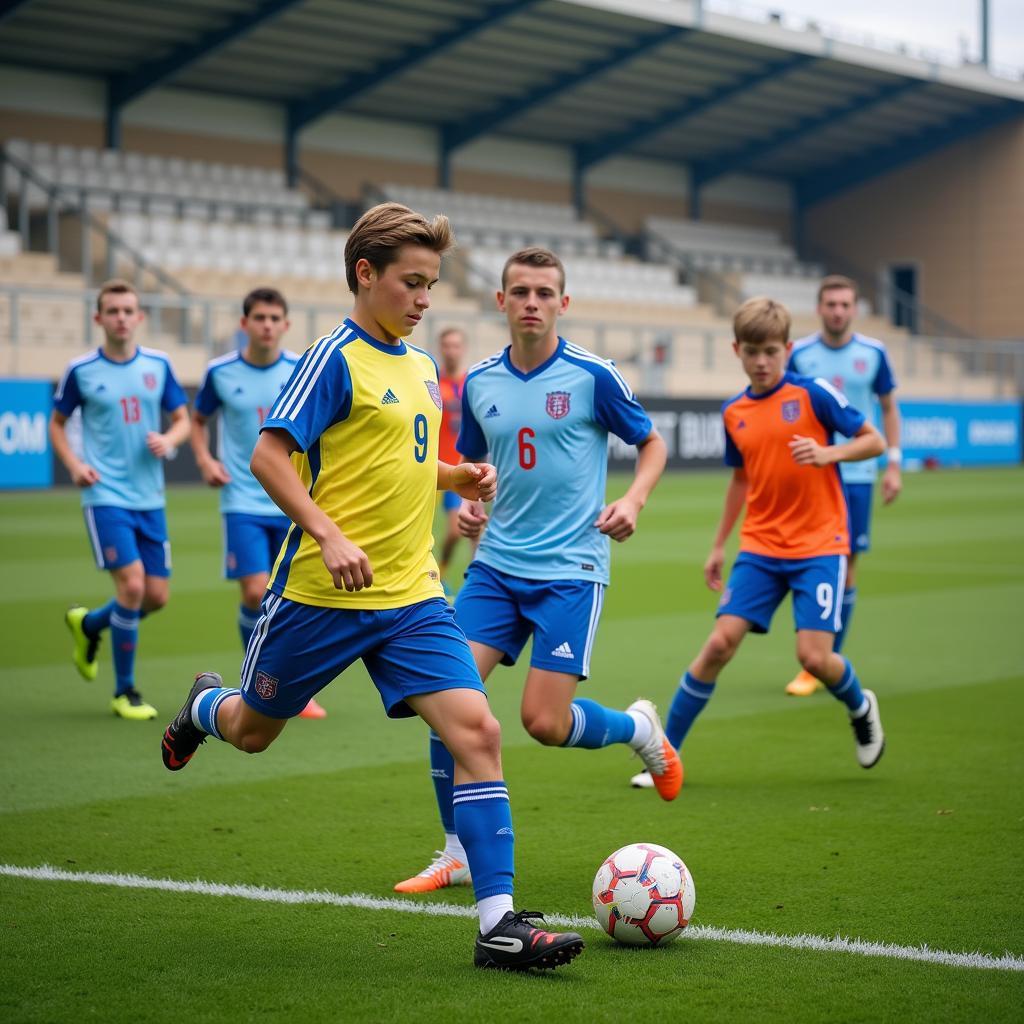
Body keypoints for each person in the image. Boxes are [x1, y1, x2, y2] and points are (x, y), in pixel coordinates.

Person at [159, 204, 584, 972]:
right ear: (365, 275)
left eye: (431, 285)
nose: (425, 299)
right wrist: (327, 532)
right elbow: (269, 457)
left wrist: (457, 475)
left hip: (411, 596)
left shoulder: (421, 365)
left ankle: (498, 925)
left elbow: (409, 457)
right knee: (253, 732)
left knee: (479, 733)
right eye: (411, 283)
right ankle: (200, 706)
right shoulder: (332, 358)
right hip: (322, 593)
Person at [394, 246, 676, 897]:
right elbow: (467, 465)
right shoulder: (484, 382)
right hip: (495, 568)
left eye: (544, 293)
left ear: (562, 303)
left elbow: (651, 442)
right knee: (445, 702)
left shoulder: (592, 375)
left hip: (571, 570)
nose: (531, 302)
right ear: (501, 301)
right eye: (519, 291)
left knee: (544, 724)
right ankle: (456, 851)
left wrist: (632, 500)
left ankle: (638, 728)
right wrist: (465, 507)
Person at [632, 296, 886, 790]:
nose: (762, 361)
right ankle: (665, 757)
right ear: (736, 350)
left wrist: (829, 451)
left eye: (771, 350)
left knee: (814, 658)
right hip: (761, 547)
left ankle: (860, 705)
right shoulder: (735, 412)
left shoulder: (815, 395)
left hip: (819, 545)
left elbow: (872, 439)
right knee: (718, 646)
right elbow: (741, 482)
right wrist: (718, 545)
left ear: (788, 349)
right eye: (752, 351)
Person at [53, 279, 190, 720]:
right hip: (105, 494)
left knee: (156, 597)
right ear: (99, 318)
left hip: (150, 496)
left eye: (129, 310)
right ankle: (125, 691)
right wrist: (75, 466)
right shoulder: (81, 371)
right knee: (131, 586)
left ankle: (89, 624)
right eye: (112, 311)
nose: (121, 318)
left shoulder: (158, 365)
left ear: (140, 317)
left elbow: (183, 419)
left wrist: (168, 439)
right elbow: (57, 424)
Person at [191, 287, 325, 719]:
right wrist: (205, 459)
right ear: (244, 324)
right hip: (243, 500)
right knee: (254, 591)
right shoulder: (220, 372)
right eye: (259, 318)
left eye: (275, 319)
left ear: (286, 326)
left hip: (291, 501)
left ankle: (285, 687)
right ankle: (259, 686)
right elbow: (197, 421)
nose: (267, 326)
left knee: (290, 599)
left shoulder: (303, 370)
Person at [782, 275, 901, 696]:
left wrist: (894, 465)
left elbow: (887, 408)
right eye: (831, 304)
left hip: (856, 477)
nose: (838, 311)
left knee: (847, 566)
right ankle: (818, 658)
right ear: (819, 308)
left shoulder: (873, 353)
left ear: (854, 309)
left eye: (845, 304)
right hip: (810, 477)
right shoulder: (801, 354)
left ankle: (825, 662)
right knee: (803, 561)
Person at [435, 326, 474, 590]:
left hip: (457, 469)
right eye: (447, 345)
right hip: (429, 467)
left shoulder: (471, 383)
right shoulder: (430, 381)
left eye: (456, 345)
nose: (451, 351)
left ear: (463, 349)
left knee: (459, 530)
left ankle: (442, 574)